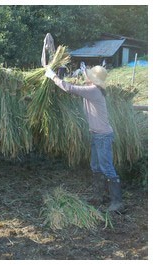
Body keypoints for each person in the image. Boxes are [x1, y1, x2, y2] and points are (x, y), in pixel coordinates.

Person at [45, 65, 124, 213]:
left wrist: (52, 76)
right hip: (96, 134)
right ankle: (99, 196)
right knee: (95, 166)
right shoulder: (93, 89)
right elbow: (74, 87)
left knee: (106, 167)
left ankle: (117, 202)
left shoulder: (93, 91)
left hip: (103, 136)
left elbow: (70, 88)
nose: (85, 76)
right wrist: (61, 77)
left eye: (88, 75)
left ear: (92, 78)